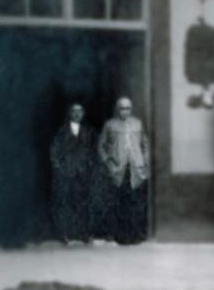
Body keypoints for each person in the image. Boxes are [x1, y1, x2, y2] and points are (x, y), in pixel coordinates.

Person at [98, 97, 150, 245]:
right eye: (122, 108)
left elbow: (145, 145)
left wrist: (144, 163)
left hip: (136, 170)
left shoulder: (137, 123)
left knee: (135, 203)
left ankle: (136, 235)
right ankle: (121, 236)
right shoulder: (110, 125)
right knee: (120, 202)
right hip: (118, 170)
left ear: (131, 109)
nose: (124, 111)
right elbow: (101, 147)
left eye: (127, 108)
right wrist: (109, 163)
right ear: (117, 109)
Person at [50, 103, 96, 244]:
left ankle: (83, 234)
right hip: (66, 172)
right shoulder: (62, 131)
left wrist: (89, 164)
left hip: (82, 172)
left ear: (83, 114)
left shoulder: (89, 131)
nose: (77, 114)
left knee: (82, 202)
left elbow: (93, 150)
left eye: (79, 111)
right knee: (66, 203)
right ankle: (65, 234)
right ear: (69, 113)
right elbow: (54, 150)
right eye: (74, 112)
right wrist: (59, 166)